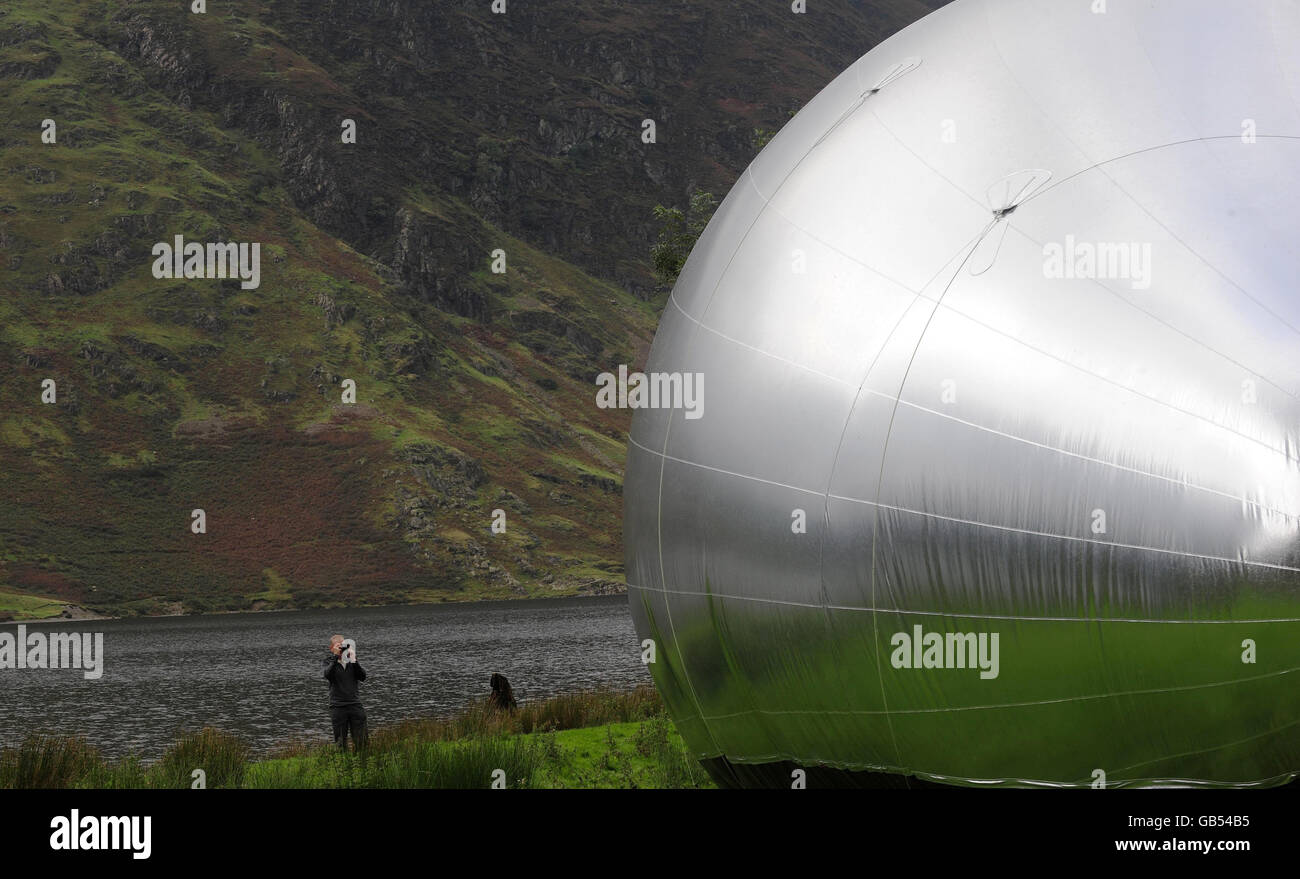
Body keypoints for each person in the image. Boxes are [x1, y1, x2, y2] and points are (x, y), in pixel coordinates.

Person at [323, 634, 368, 751]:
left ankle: (362, 762)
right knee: (340, 743)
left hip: (355, 705)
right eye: (339, 646)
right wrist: (335, 658)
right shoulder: (328, 662)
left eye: (343, 646)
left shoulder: (352, 662)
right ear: (331, 648)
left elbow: (362, 676)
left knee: (362, 741)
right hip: (338, 707)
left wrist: (354, 660)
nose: (342, 649)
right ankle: (343, 765)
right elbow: (327, 675)